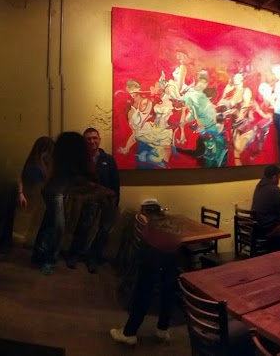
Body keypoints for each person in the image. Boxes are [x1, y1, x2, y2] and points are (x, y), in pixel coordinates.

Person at [33, 132, 107, 275]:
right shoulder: (58, 160)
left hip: (58, 192)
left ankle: (39, 255)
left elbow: (80, 181)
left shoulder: (68, 162)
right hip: (53, 192)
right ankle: (49, 259)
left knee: (49, 224)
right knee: (58, 226)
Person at [110, 208, 179, 347]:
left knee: (143, 291)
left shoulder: (150, 226)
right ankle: (162, 330)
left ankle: (129, 333)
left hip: (152, 251)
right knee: (168, 289)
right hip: (172, 249)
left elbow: (145, 236)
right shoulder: (169, 227)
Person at [65, 128, 120, 273]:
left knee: (104, 231)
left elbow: (115, 181)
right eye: (88, 139)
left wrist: (115, 201)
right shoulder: (80, 160)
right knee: (84, 227)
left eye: (94, 138)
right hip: (89, 200)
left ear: (99, 139)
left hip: (107, 200)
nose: (92, 141)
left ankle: (93, 258)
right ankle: (74, 255)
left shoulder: (108, 159)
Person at [18, 137, 55, 248]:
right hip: (34, 204)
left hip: (36, 205)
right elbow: (38, 187)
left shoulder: (39, 165)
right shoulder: (34, 167)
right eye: (49, 152)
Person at [251, 164, 280, 238]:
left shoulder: (259, 186)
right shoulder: (273, 189)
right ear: (274, 177)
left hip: (258, 226)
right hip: (268, 229)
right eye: (279, 176)